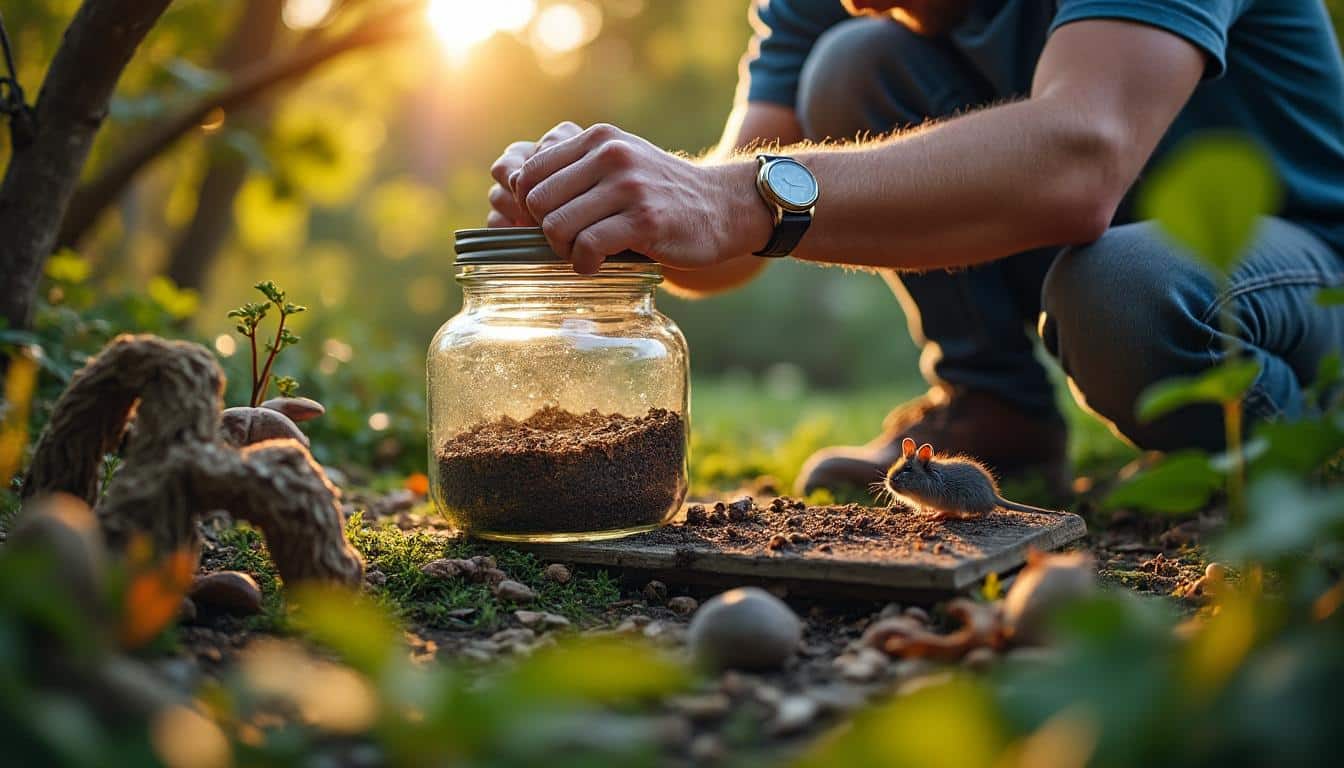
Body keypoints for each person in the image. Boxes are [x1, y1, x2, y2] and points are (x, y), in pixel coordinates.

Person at [486, 0, 1344, 497]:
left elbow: (1082, 158)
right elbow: (731, 238)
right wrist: (620, 208)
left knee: (1123, 291)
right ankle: (994, 408)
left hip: (1301, 271)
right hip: (1101, 255)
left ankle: (1313, 461)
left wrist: (725, 197)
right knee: (851, 63)